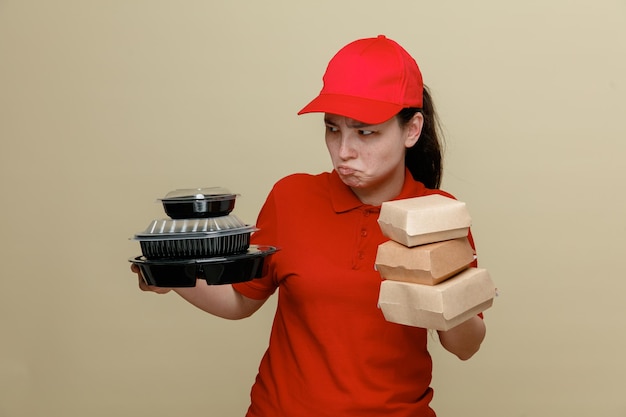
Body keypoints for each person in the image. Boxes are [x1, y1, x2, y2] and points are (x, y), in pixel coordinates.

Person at [131, 34, 487, 417]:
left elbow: (464, 346)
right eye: (333, 129)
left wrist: (444, 287)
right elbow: (241, 301)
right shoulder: (292, 197)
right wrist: (169, 276)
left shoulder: (438, 214)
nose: (344, 150)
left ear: (412, 130)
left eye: (365, 131)